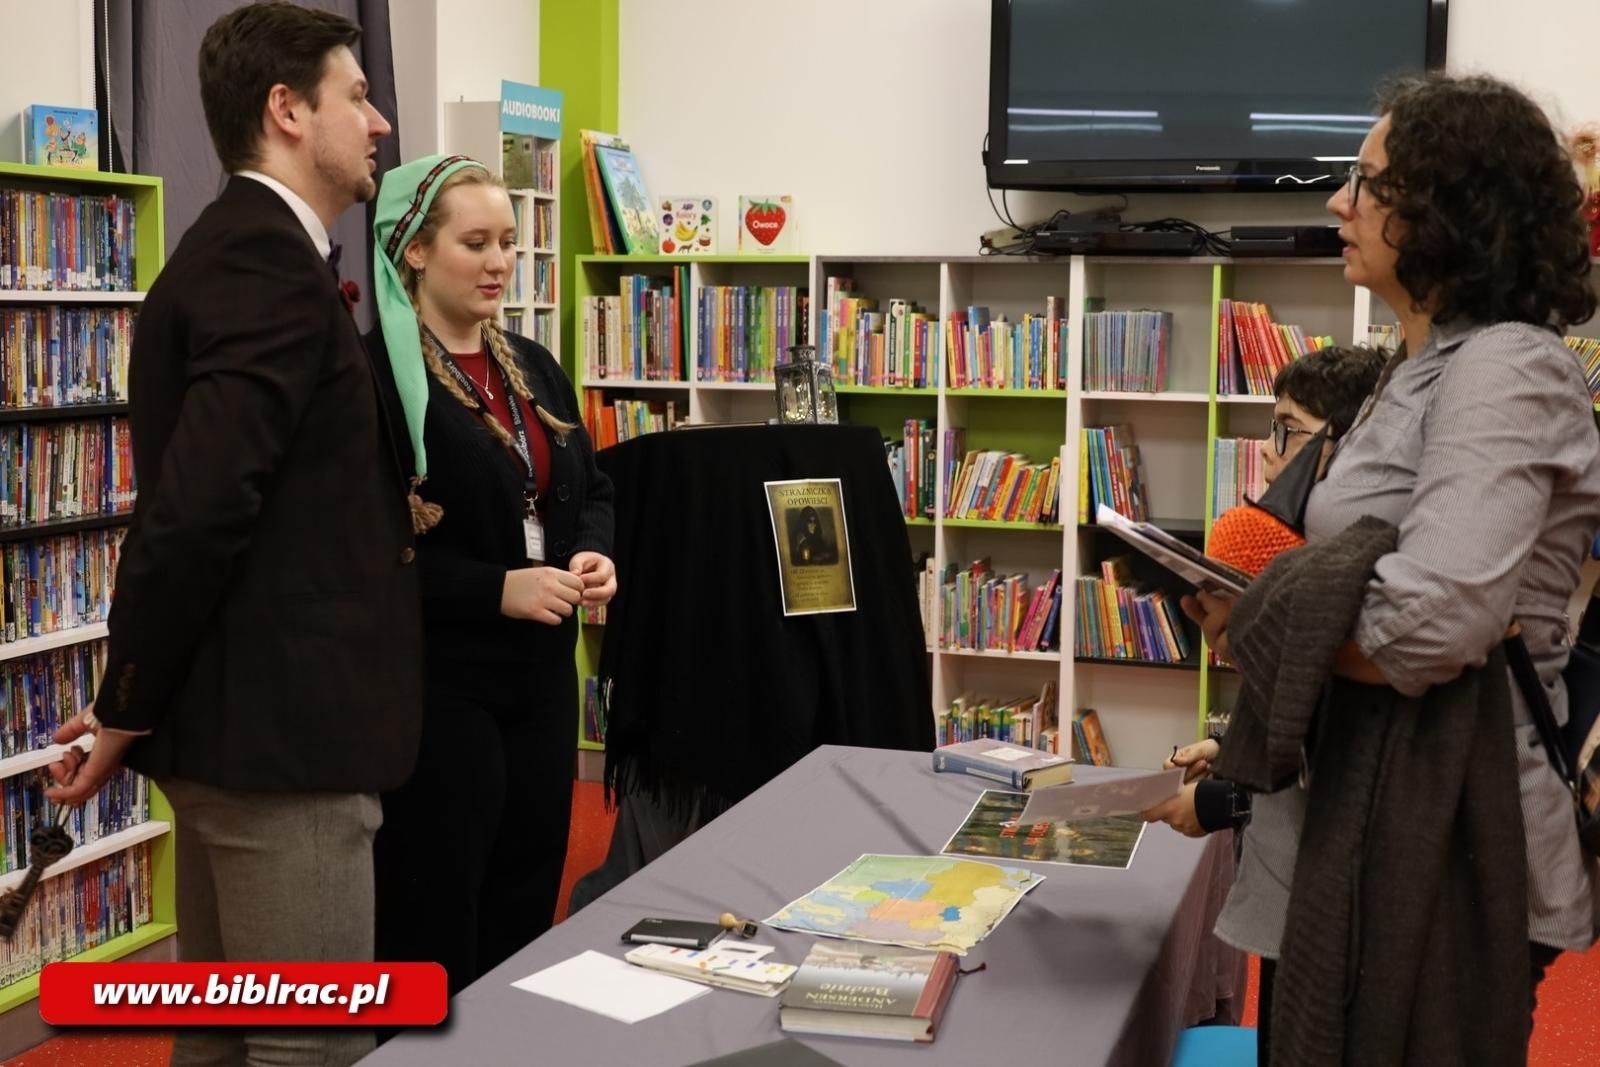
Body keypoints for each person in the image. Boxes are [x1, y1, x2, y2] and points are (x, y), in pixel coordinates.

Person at [1182, 73, 1600, 1060]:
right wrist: (1267, 614)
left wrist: (1270, 618)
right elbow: (1368, 596)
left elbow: (1426, 625)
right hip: (1355, 819)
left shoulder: (1504, 367)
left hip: (1443, 836)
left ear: (1447, 205)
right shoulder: (1414, 367)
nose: (1337, 201)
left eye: (1366, 181)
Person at [44, 4, 421, 1065]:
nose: (381, 121)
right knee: (307, 1043)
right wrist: (125, 701)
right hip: (284, 744)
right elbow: (197, 514)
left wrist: (136, 705)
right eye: (358, 95)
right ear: (287, 110)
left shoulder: (245, 255)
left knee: (221, 1036)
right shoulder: (262, 265)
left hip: (241, 730)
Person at [366, 155, 616, 994]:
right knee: (435, 913)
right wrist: (494, 587)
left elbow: (593, 486)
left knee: (524, 897)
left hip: (543, 678)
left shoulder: (532, 364)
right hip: (444, 689)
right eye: (475, 242)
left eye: (509, 241)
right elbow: (361, 552)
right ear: (415, 253)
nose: (499, 262)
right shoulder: (376, 379)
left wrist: (596, 550)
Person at [1146, 343, 1387, 837]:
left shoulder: (1357, 573)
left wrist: (1223, 801)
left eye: (1287, 429)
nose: (1265, 446)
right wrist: (1228, 749)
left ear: (1348, 446)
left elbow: (1332, 753)